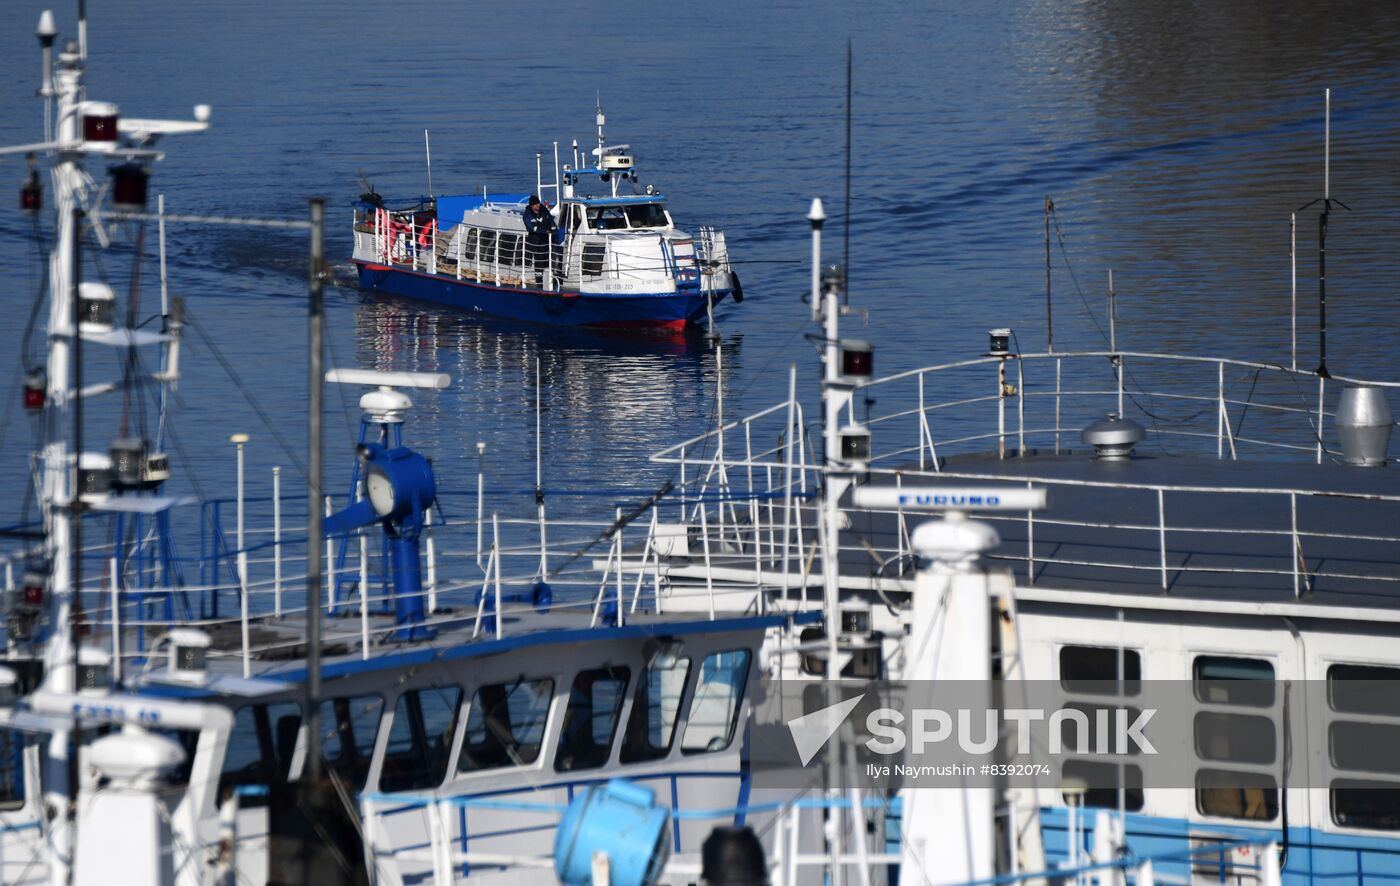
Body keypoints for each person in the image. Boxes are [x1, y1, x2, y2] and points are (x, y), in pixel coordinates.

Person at [522, 194, 557, 286]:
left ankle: (549, 280)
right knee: (539, 262)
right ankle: (539, 282)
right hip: (535, 241)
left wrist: (553, 229)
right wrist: (543, 230)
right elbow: (530, 227)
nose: (538, 205)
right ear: (531, 205)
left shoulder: (544, 211)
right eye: (536, 204)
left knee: (548, 260)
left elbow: (552, 222)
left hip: (546, 240)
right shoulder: (527, 215)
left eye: (538, 203)